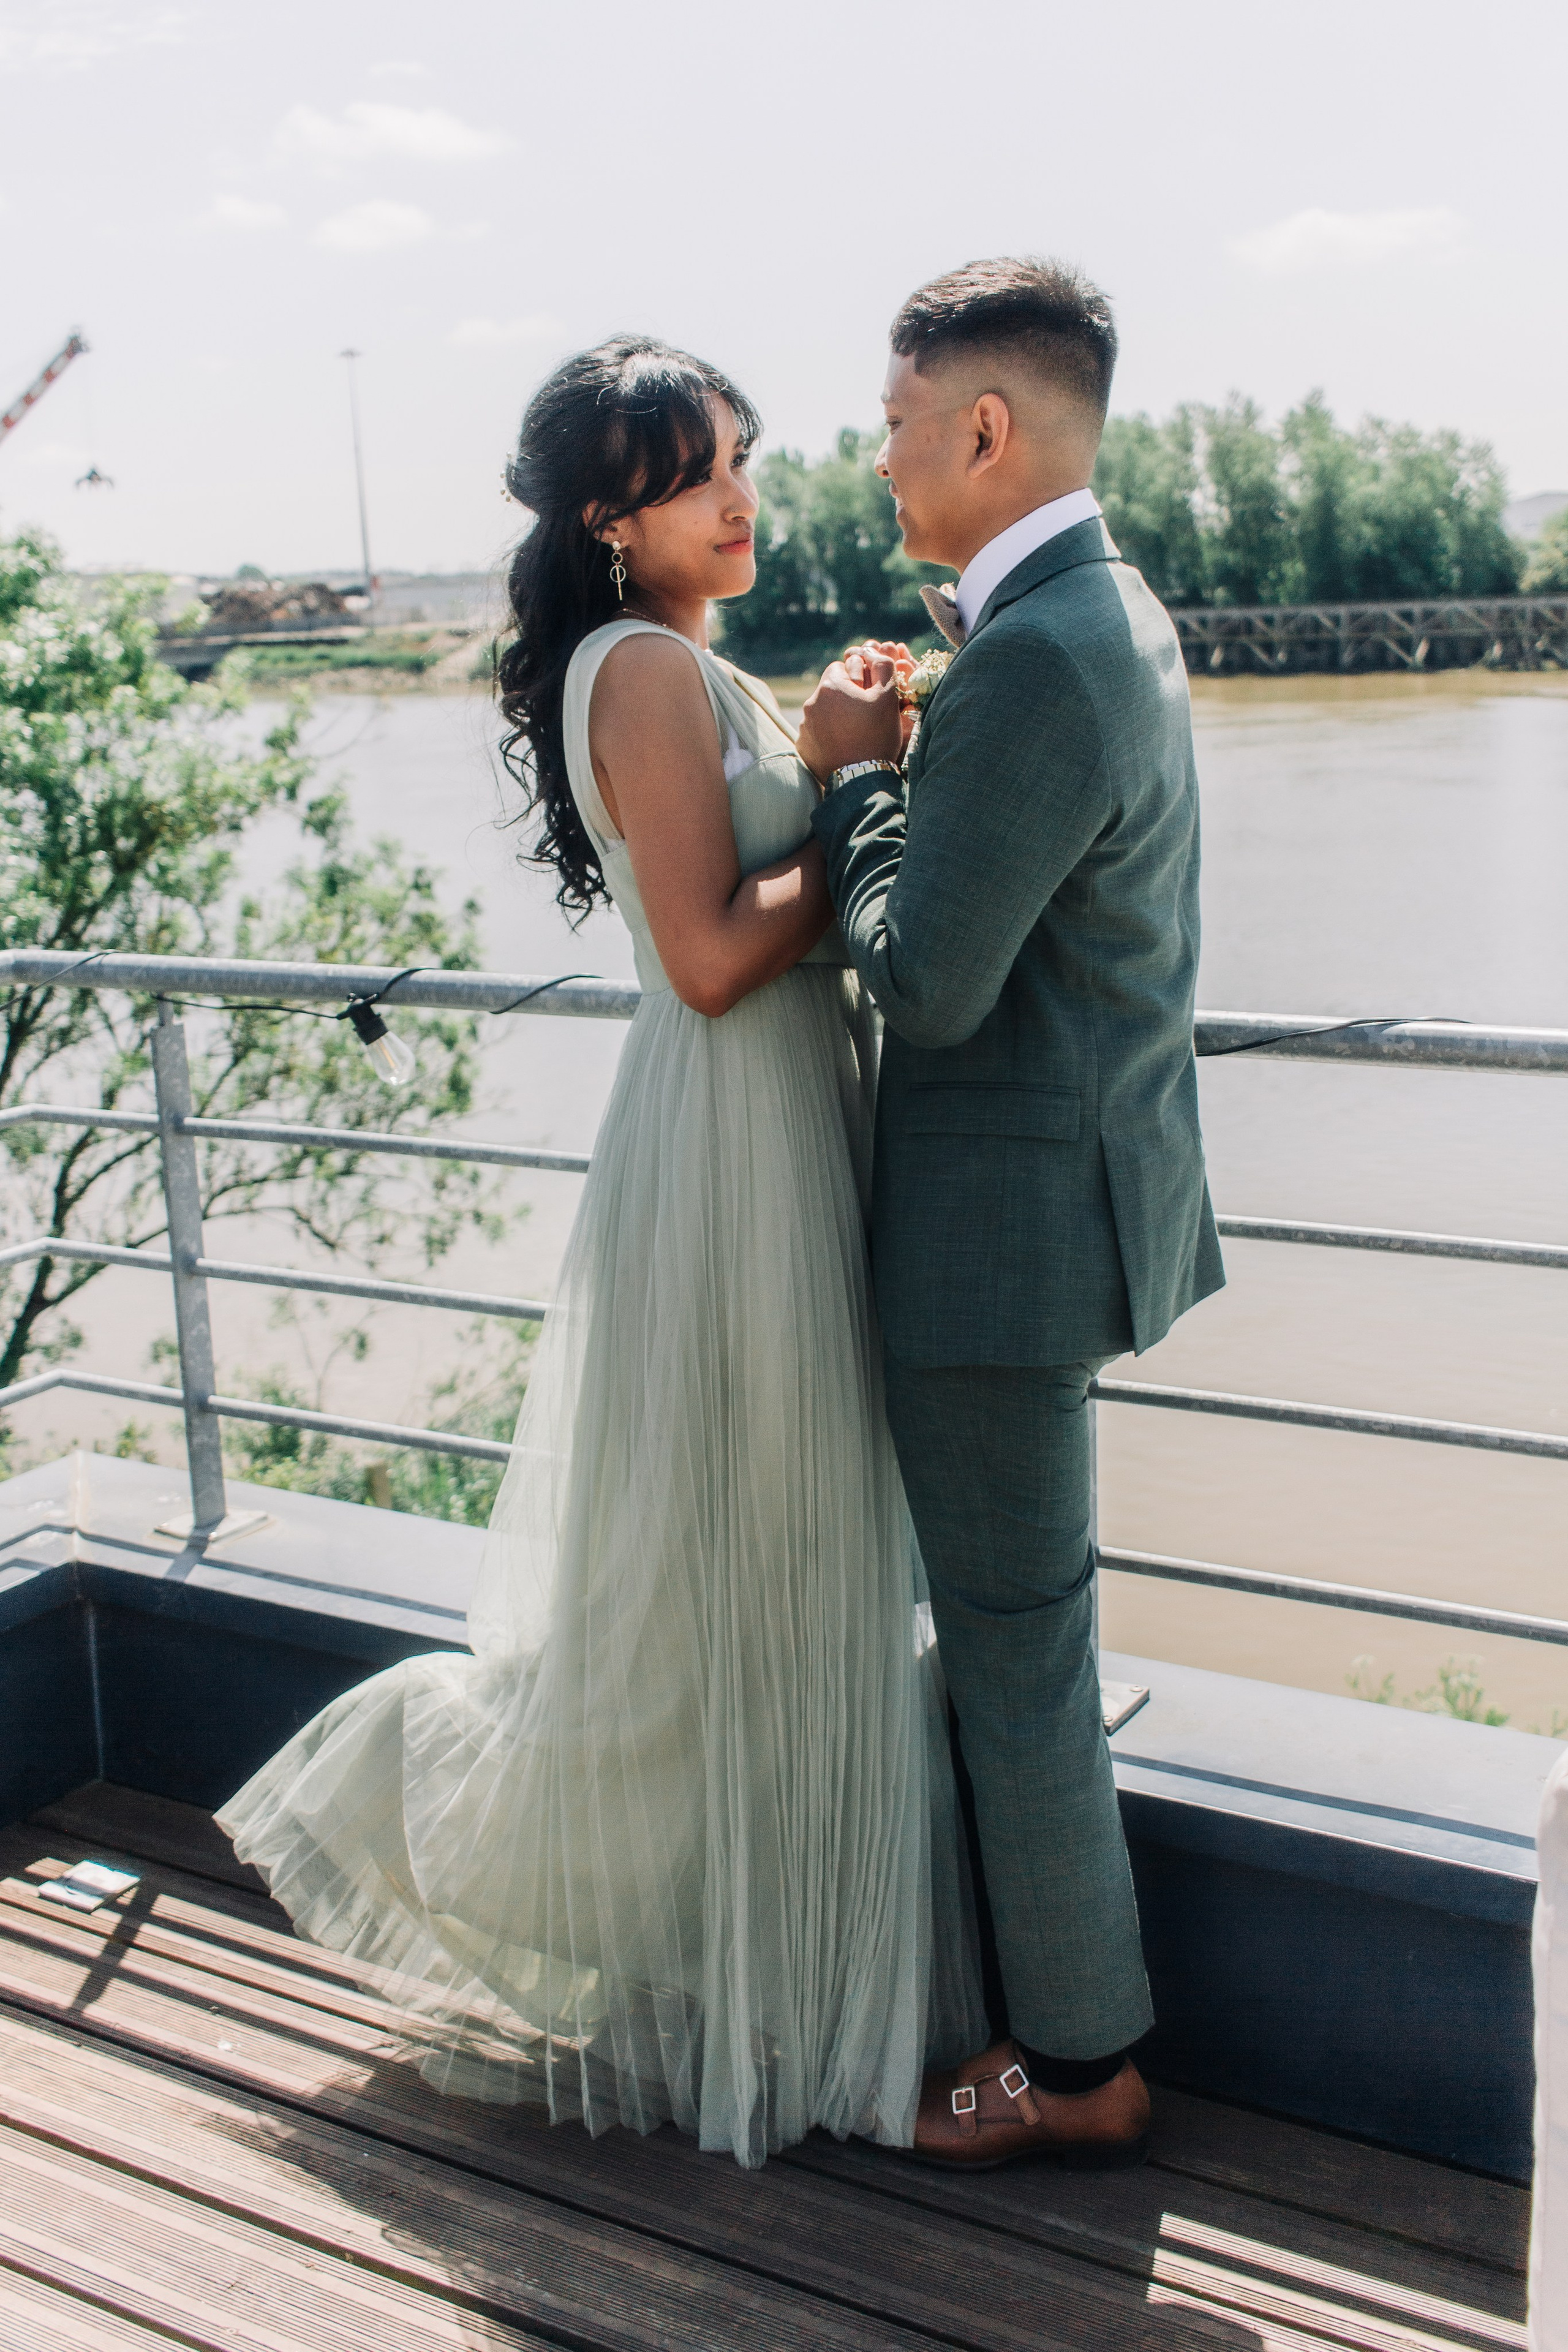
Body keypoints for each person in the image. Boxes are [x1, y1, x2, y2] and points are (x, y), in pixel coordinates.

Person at [217, 337, 987, 2170]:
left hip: (767, 1141)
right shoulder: (640, 667)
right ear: (602, 514)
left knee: (751, 1573)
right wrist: (866, 786)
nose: (739, 493)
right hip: (732, 1155)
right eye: (693, 470)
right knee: (715, 1583)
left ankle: (755, 1982)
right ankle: (448, 1812)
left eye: (741, 456)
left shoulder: (682, 661)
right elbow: (716, 957)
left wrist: (827, 755)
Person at [799, 255, 1224, 2169]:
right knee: (1018, 1630)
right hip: (1062, 1207)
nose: (881, 467)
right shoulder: (1104, 609)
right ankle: (1063, 2027)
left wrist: (855, 787)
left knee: (1015, 1649)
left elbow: (930, 976)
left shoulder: (1041, 652)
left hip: (994, 1248)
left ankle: (1076, 2066)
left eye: (896, 429)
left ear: (984, 426)